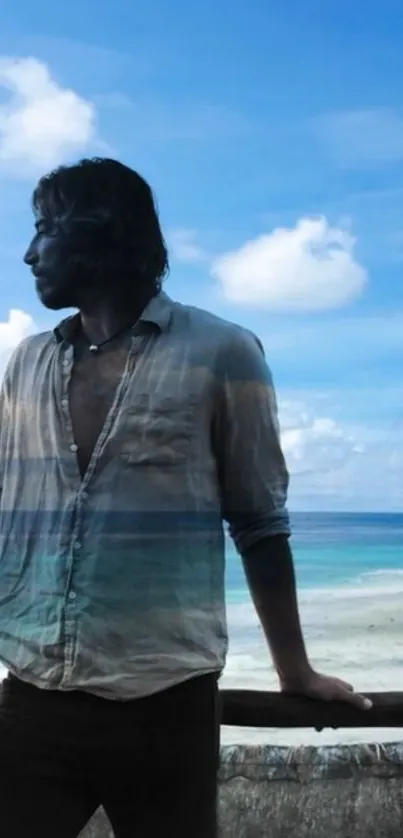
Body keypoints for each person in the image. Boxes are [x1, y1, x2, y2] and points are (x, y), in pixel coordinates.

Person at [0, 157, 372, 838]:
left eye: (45, 228)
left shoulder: (222, 352)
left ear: (102, 232)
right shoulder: (25, 361)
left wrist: (294, 672)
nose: (28, 252)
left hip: (165, 705)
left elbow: (258, 520)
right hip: (31, 701)